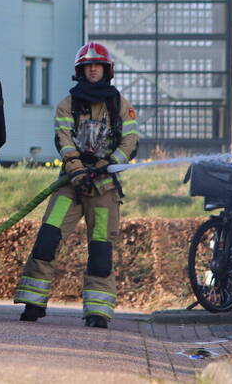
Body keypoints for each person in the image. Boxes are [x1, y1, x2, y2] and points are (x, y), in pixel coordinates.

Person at [14, 42, 140, 329]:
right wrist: (78, 169)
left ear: (107, 70)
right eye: (87, 65)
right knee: (48, 238)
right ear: (80, 71)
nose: (92, 69)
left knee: (100, 251)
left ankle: (97, 311)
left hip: (104, 188)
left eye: (97, 65)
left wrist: (106, 164)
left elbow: (130, 142)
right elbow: (63, 139)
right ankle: (33, 302)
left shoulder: (121, 105)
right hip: (70, 185)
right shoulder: (67, 104)